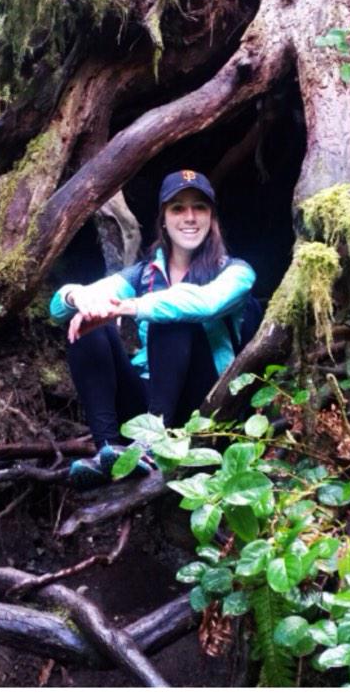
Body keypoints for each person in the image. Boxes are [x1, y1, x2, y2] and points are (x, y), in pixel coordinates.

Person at [49, 169, 260, 487]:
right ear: (163, 218)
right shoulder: (144, 275)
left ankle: (153, 442)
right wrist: (77, 296)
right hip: (149, 396)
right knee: (88, 326)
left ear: (212, 217)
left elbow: (206, 304)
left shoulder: (234, 271)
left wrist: (134, 307)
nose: (189, 217)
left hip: (203, 402)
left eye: (199, 207)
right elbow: (57, 309)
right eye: (178, 208)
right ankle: (108, 449)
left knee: (171, 316)